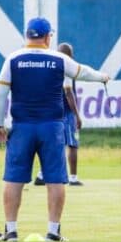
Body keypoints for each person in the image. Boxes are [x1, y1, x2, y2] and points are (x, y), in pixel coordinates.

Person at [0, 18, 109, 242]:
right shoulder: (58, 58)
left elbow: (0, 94)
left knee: (14, 179)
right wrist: (102, 77)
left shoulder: (13, 59)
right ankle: (53, 231)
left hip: (22, 127)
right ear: (48, 37)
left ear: (28, 35)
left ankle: (11, 231)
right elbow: (83, 72)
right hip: (52, 128)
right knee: (55, 179)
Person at [34, 42, 84, 187]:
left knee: (53, 145)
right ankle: (73, 178)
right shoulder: (66, 69)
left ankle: (42, 174)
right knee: (72, 144)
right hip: (65, 112)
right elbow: (69, 93)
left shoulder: (49, 68)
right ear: (70, 56)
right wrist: (77, 115)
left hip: (51, 112)